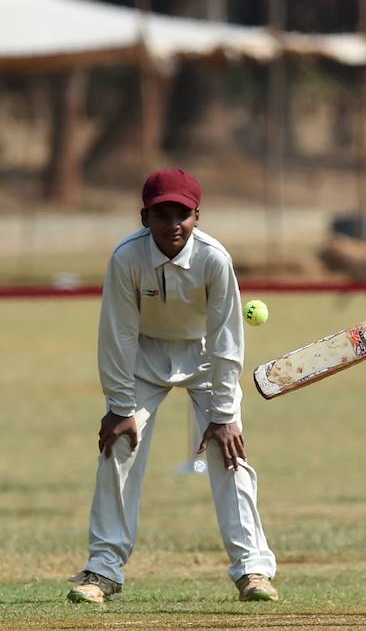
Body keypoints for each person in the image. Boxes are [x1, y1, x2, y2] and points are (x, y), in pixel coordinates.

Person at [66, 169, 278, 604]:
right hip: (144, 356)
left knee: (229, 452)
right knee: (119, 449)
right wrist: (120, 408)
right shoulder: (126, 258)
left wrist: (222, 416)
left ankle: (253, 570)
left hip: (205, 357)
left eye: (182, 213)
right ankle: (103, 571)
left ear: (197, 216)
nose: (173, 224)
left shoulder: (214, 259)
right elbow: (117, 335)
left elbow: (227, 340)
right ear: (145, 217)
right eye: (162, 214)